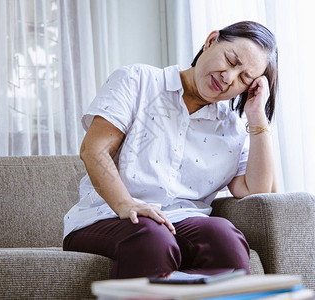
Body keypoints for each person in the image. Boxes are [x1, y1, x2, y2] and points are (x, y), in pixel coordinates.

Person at [63, 21, 278, 279]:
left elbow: (255, 190)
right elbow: (94, 150)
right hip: (107, 216)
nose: (229, 77)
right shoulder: (138, 81)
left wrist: (257, 120)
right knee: (151, 237)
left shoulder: (231, 127)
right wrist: (126, 204)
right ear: (211, 41)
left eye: (244, 78)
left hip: (181, 221)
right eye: (231, 60)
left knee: (224, 238)